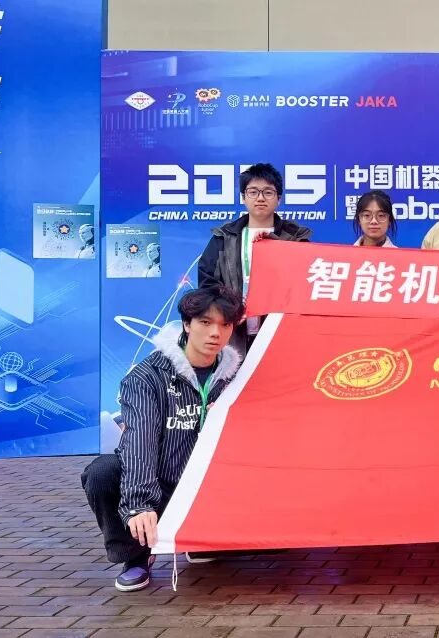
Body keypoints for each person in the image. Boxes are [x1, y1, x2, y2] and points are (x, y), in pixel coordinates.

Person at [81, 286, 245, 592]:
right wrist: (139, 504)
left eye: (225, 325)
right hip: (163, 485)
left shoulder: (237, 376)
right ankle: (137, 555)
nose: (216, 333)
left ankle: (200, 539)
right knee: (102, 472)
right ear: (187, 325)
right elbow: (139, 441)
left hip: (211, 486)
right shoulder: (146, 377)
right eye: (205, 323)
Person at [197, 163, 312, 356]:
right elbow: (207, 282)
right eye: (253, 192)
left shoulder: (295, 238)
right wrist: (231, 310)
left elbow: (305, 283)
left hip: (280, 333)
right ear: (243, 197)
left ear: (279, 198)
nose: (260, 198)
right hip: (233, 333)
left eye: (268, 192)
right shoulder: (224, 237)